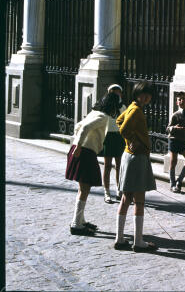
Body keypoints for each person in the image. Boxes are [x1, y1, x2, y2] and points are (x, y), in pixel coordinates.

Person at [66, 92, 122, 236]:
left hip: (81, 149)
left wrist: (77, 143)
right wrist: (80, 146)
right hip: (85, 151)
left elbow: (78, 126)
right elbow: (84, 128)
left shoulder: (94, 112)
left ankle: (80, 220)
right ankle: (76, 224)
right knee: (85, 188)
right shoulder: (103, 117)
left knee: (82, 188)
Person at [114, 81, 158, 252]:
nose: (146, 97)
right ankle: (138, 241)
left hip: (129, 156)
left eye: (148, 95)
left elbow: (118, 120)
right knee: (139, 201)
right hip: (137, 157)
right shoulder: (136, 109)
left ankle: (119, 238)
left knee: (126, 199)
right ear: (137, 94)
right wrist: (131, 140)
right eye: (143, 94)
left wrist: (130, 140)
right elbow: (123, 129)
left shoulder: (131, 107)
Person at [101, 84, 127, 203]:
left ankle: (119, 189)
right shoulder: (104, 106)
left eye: (118, 92)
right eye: (113, 92)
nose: (116, 94)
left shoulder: (122, 107)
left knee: (119, 165)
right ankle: (106, 192)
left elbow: (126, 119)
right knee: (107, 166)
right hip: (108, 136)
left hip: (119, 136)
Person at [166, 92, 185, 192]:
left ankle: (179, 180)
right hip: (174, 140)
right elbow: (168, 128)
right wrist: (175, 128)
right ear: (177, 102)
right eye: (179, 99)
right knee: (173, 161)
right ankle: (172, 183)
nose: (181, 101)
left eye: (183, 99)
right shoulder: (175, 115)